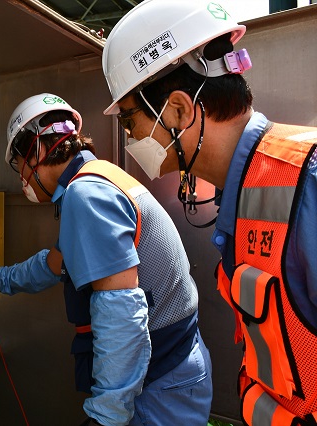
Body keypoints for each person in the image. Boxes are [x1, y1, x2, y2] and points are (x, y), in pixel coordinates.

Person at [100, 0, 317, 424]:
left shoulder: (306, 182)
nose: (130, 138)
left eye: (130, 122)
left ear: (179, 109)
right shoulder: (247, 185)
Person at [0, 93, 212, 425]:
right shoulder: (99, 176)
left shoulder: (85, 194)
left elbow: (121, 312)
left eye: (19, 166)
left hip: (160, 380)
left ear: (37, 149)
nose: (23, 180)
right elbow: (55, 263)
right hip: (175, 365)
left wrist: (106, 415)